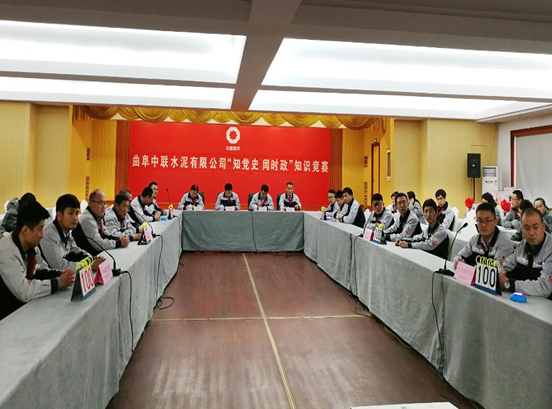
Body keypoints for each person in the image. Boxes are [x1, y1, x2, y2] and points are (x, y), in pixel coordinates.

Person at [0, 201, 76, 320]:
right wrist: (59, 282)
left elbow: (42, 271)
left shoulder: (32, 248)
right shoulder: (6, 251)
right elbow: (25, 292)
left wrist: (63, 274)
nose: (42, 235)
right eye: (40, 229)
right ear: (25, 230)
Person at [40, 194, 105, 271]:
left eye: (77, 213)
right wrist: (89, 265)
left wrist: (92, 259)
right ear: (59, 216)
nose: (75, 218)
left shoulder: (66, 231)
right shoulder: (49, 235)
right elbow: (59, 266)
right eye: (70, 213)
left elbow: (76, 250)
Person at [499, 207, 552, 299]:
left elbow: (545, 288)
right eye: (526, 228)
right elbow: (505, 264)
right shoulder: (522, 246)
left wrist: (510, 284)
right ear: (522, 230)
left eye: (535, 227)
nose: (531, 233)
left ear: (543, 227)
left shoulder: (550, 249)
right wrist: (500, 273)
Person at [453, 202, 514, 268]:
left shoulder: (504, 242)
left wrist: (468, 267)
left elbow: (495, 267)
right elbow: (459, 255)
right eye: (480, 221)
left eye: (487, 220)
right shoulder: (474, 239)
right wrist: (458, 261)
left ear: (495, 221)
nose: (483, 225)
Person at [74, 189, 130, 256]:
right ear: (90, 203)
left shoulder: (98, 216)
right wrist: (119, 243)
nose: (104, 206)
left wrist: (119, 239)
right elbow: (99, 245)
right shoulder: (87, 218)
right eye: (100, 203)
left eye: (105, 203)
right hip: (81, 258)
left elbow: (106, 234)